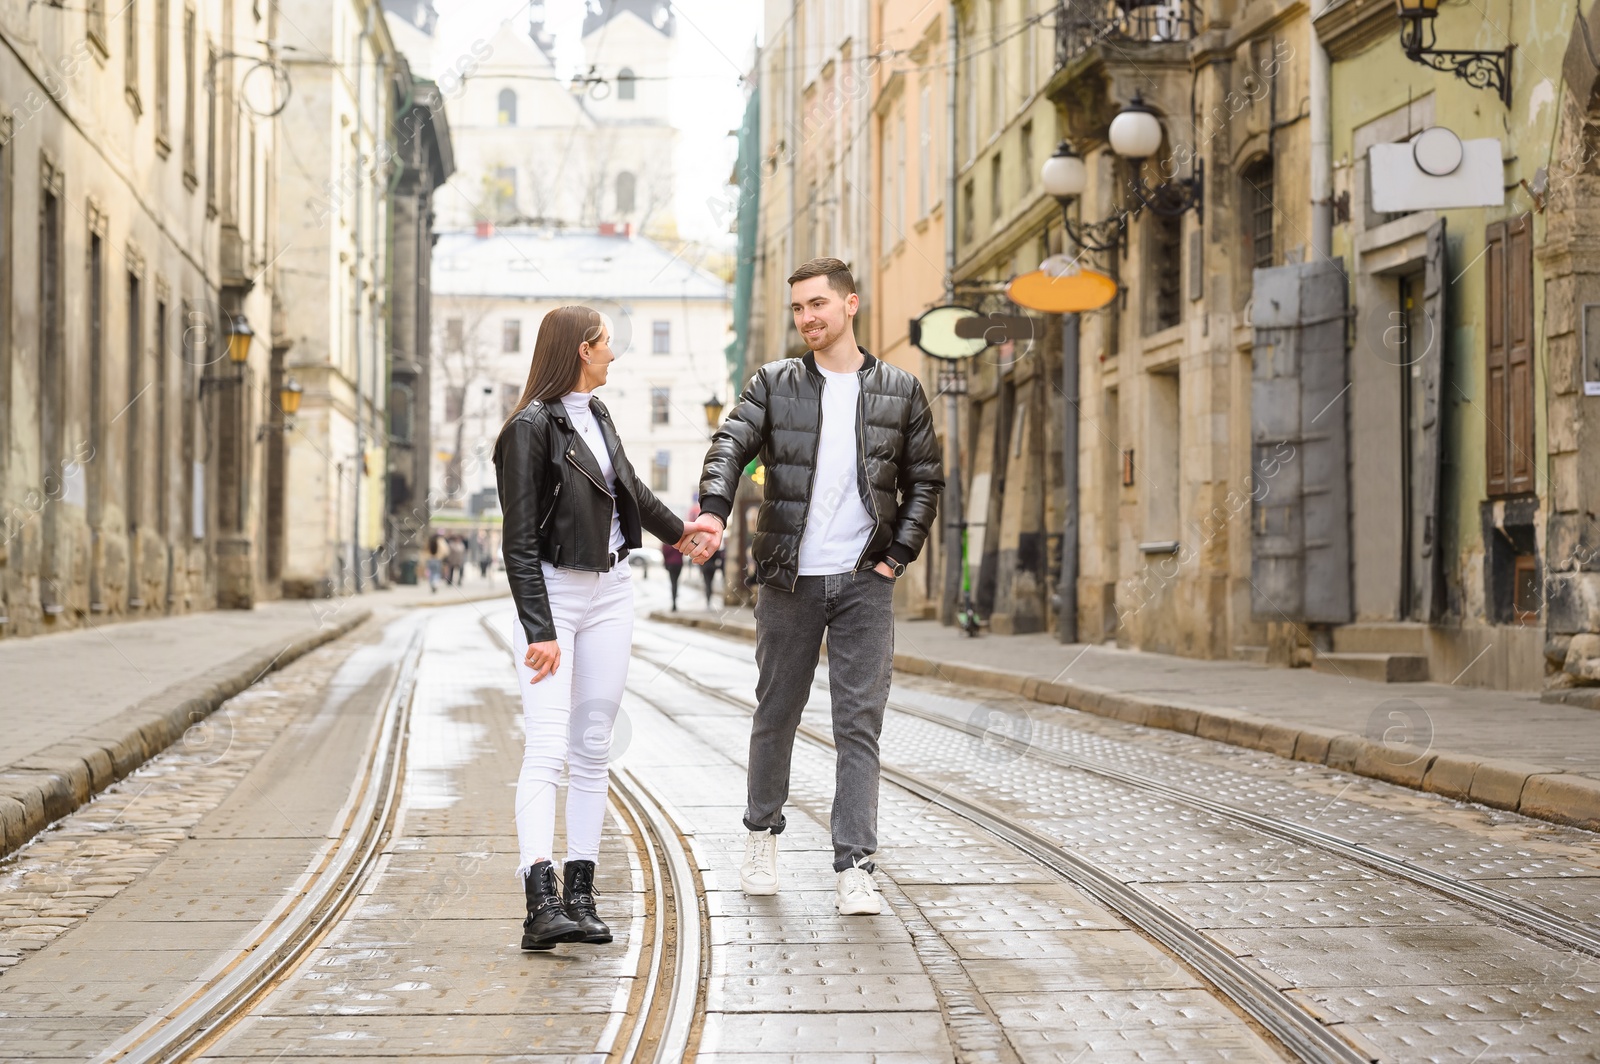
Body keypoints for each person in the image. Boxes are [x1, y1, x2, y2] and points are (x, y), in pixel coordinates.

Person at [688, 257, 943, 916]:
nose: (807, 319)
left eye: (818, 305)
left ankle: (856, 865)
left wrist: (898, 556)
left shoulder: (899, 389)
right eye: (799, 308)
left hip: (864, 580)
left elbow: (925, 481)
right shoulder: (773, 385)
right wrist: (714, 508)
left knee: (858, 726)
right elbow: (729, 445)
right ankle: (761, 837)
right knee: (776, 715)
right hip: (788, 579)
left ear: (850, 305)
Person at [495, 304, 718, 951]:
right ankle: (541, 900)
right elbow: (516, 539)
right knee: (548, 746)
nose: (614, 355)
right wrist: (540, 627)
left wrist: (686, 534)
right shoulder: (529, 428)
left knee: (593, 744)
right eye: (606, 345)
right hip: (555, 596)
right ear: (581, 349)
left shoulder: (599, 415)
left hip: (613, 590)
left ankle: (582, 895)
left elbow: (632, 495)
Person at [661, 541, 684, 611]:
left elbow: (664, 553)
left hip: (671, 564)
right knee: (675, 582)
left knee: (673, 583)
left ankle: (674, 602)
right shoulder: (679, 540)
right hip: (678, 564)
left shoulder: (666, 542)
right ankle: (675, 599)